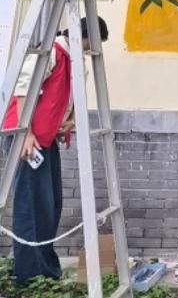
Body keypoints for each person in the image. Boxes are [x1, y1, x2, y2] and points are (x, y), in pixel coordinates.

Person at [2, 16, 108, 284]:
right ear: (84, 37)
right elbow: (23, 88)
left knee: (50, 203)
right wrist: (25, 132)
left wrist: (68, 122)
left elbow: (68, 98)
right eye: (89, 45)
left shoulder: (73, 61)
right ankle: (28, 273)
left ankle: (45, 267)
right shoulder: (51, 52)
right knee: (31, 205)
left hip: (46, 139)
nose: (89, 51)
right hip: (29, 140)